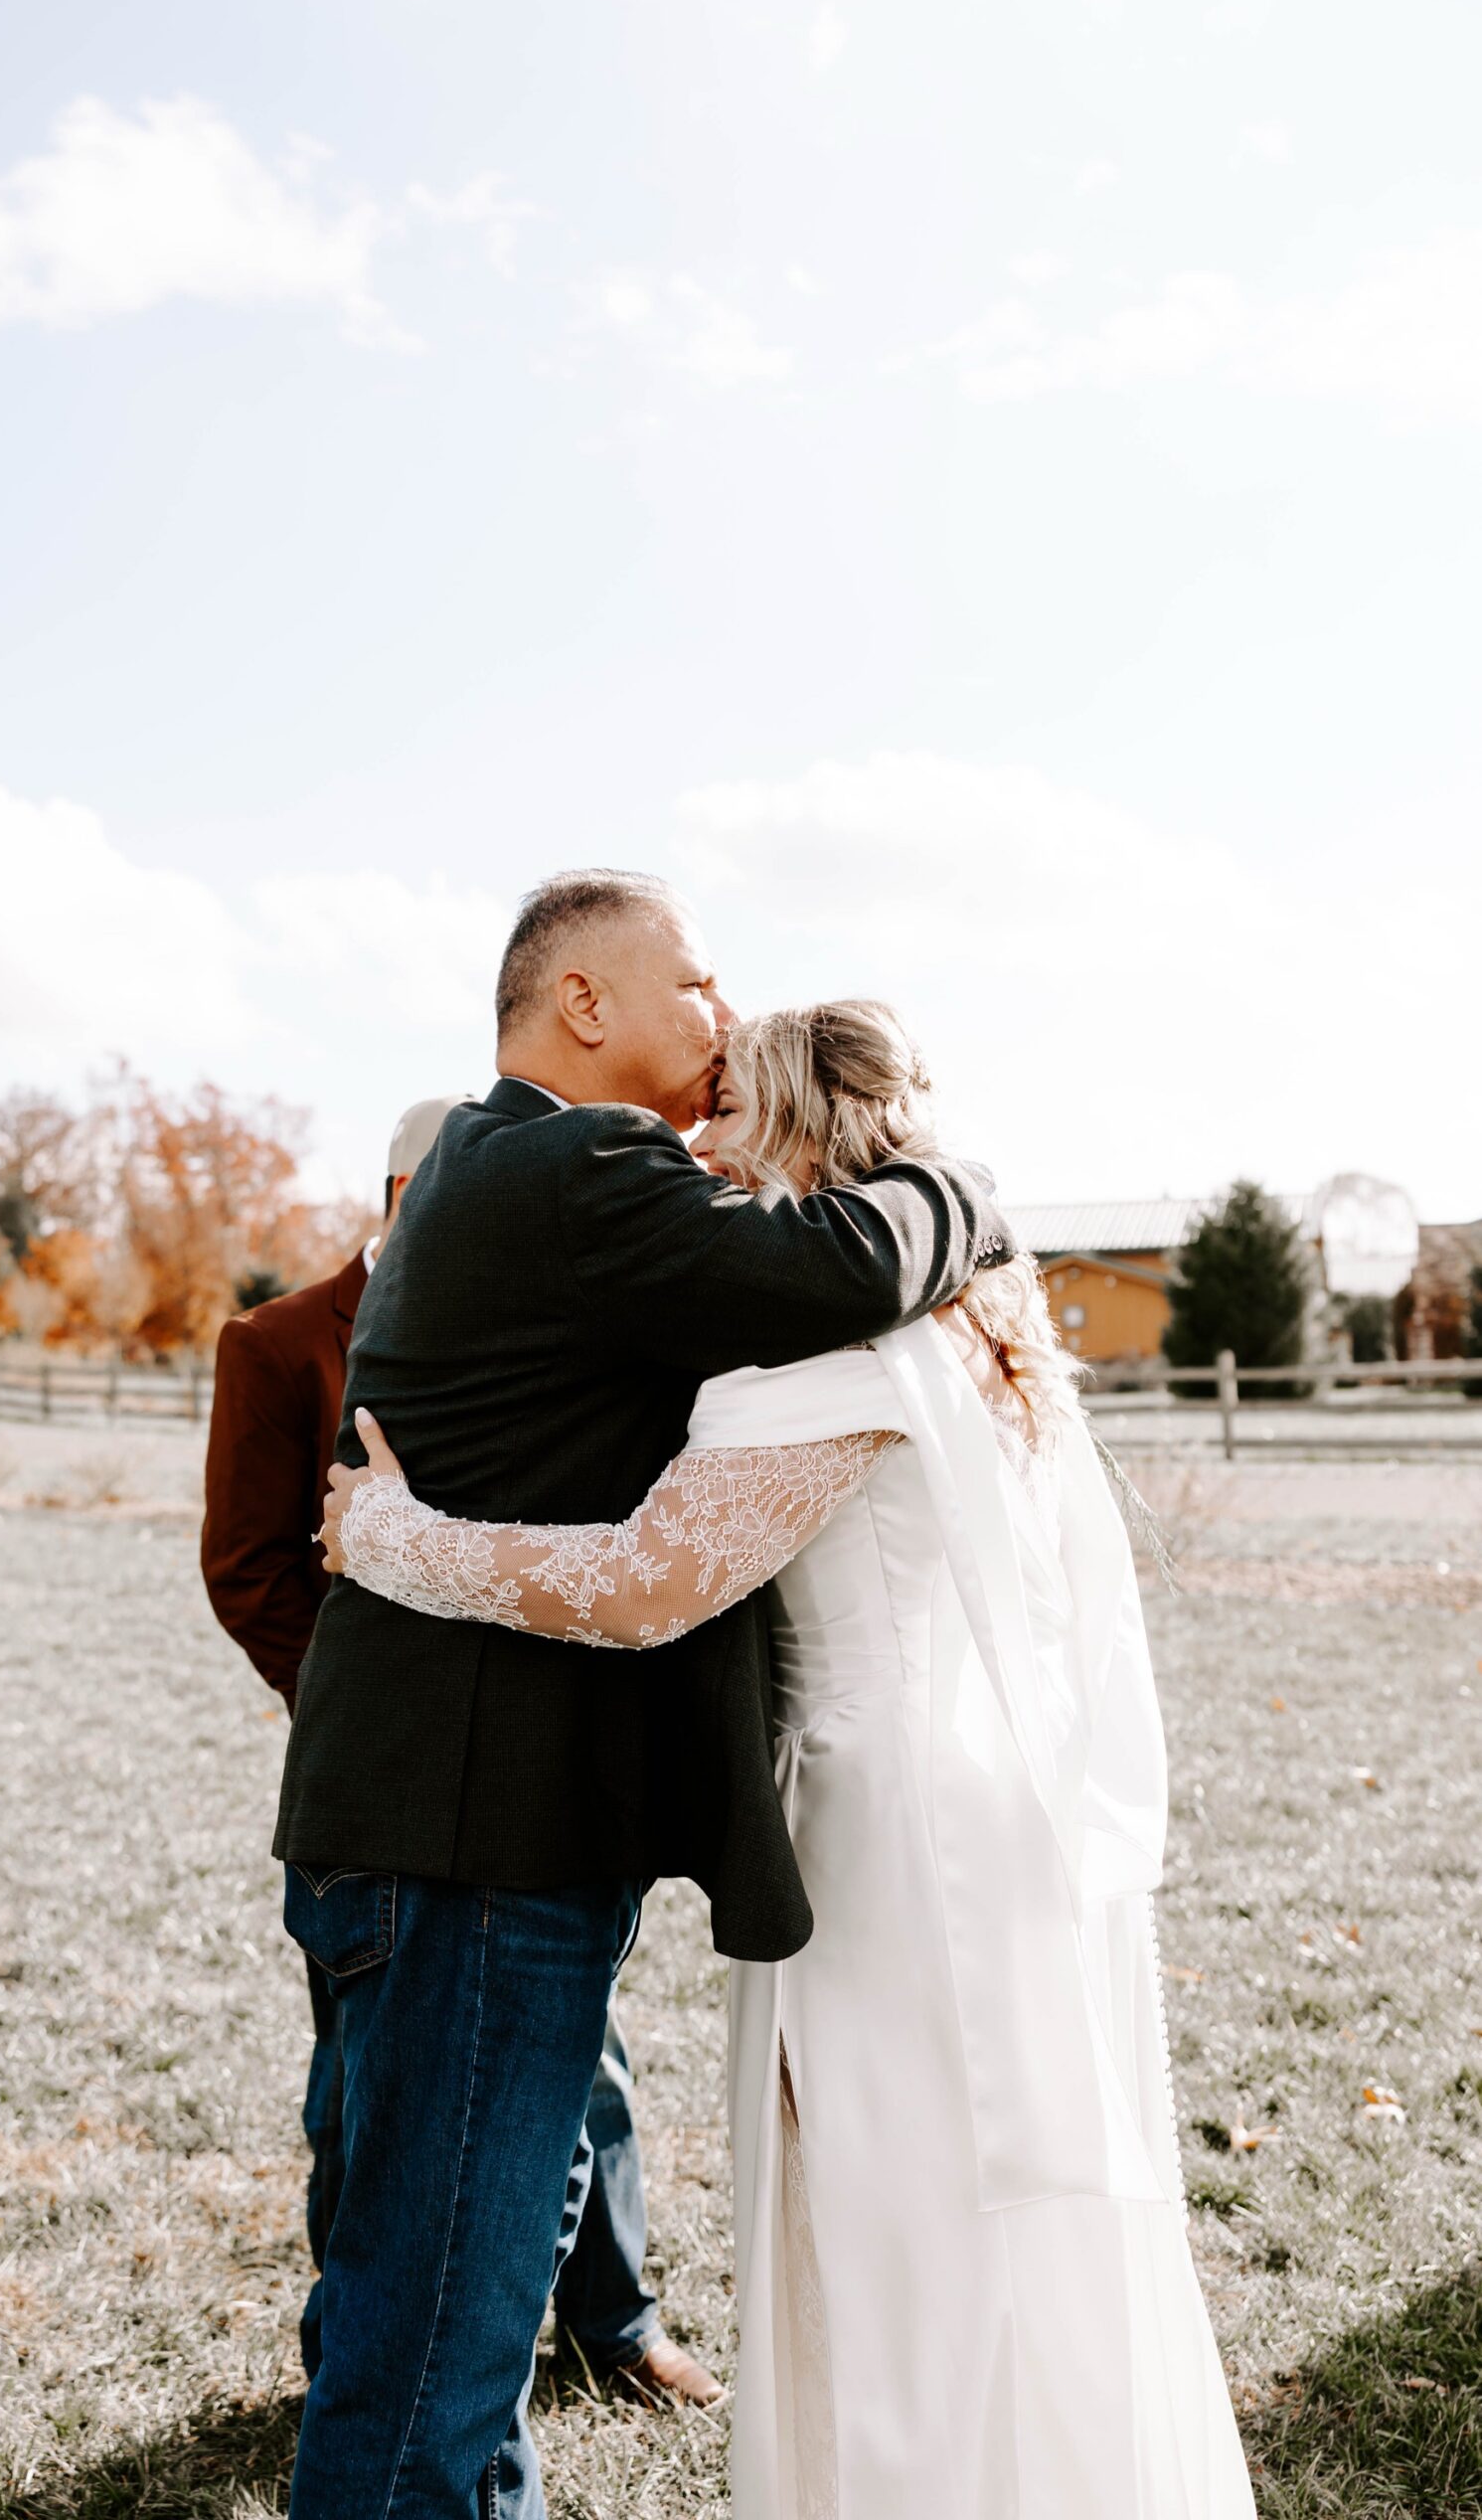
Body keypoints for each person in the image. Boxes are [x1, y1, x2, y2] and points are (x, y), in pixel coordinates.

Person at [328, 999, 1259, 2520]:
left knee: (910, 2240)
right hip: (966, 1815)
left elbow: (645, 1584)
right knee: (979, 2232)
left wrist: (393, 1539)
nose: (695, 1150)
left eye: (724, 1116)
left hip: (893, 1851)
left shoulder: (841, 1358)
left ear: (793, 1130)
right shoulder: (970, 1332)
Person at [271, 875, 1011, 2520]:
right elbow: (835, 1270)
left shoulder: (495, 1164)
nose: (723, 1015)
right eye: (698, 981)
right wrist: (962, 1178)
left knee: (456, 2335)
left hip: (448, 1818)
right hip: (474, 1836)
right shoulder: (575, 1159)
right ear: (586, 1003)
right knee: (430, 2352)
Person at [203, 1091, 719, 2413]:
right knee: (360, 2086)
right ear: (407, 1193)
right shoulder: (275, 1341)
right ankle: (357, 2357)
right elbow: (249, 1565)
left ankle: (612, 2321)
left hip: (537, 1779)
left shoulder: (548, 1307)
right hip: (377, 1782)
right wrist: (358, 1703)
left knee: (585, 2067)